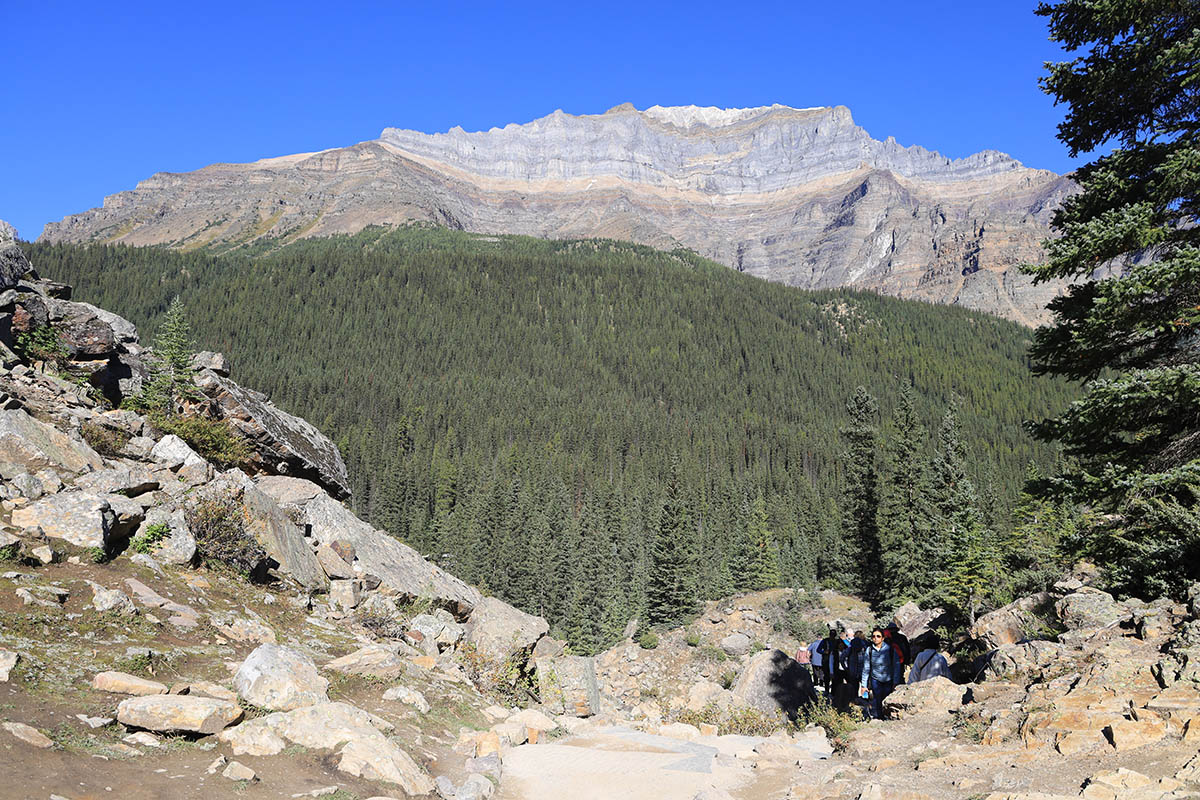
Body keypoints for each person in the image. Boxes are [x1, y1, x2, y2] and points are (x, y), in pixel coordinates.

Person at [859, 627, 897, 720]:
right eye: (873, 636)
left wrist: (896, 681)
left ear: (883, 638)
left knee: (887, 699)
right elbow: (866, 668)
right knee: (877, 699)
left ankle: (887, 716)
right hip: (875, 679)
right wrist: (864, 685)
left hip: (888, 679)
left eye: (878, 636)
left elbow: (896, 666)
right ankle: (880, 717)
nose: (876, 638)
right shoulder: (869, 650)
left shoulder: (890, 649)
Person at [816, 627, 847, 702]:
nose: (832, 636)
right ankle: (827, 690)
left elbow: (846, 646)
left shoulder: (838, 641)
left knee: (835, 676)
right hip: (826, 661)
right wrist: (824, 652)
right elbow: (818, 650)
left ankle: (834, 692)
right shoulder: (825, 641)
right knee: (826, 676)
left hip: (835, 661)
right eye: (831, 635)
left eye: (833, 635)